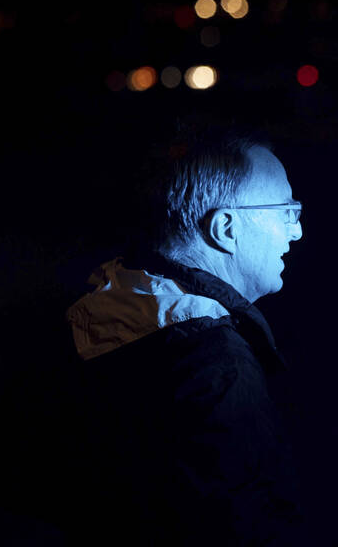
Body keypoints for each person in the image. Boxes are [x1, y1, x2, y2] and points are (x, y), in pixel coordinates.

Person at [59, 127, 307, 544]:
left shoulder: (99, 309)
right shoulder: (214, 364)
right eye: (286, 210)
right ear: (226, 228)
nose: (296, 232)